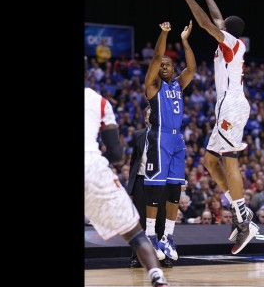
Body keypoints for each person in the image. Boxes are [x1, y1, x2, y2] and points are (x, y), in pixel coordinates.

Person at [176, 0, 258, 254]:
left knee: (230, 160)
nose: (219, 26)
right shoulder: (230, 42)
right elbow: (217, 19)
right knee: (210, 162)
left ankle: (245, 218)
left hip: (233, 105)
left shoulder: (232, 43)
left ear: (227, 32)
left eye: (222, 27)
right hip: (227, 107)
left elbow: (207, 24)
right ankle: (239, 213)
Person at [84, 58, 169, 287]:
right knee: (135, 233)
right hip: (91, 165)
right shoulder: (99, 101)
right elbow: (117, 154)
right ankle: (157, 277)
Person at [143, 21, 197, 262]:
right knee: (156, 187)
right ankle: (150, 235)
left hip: (177, 141)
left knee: (175, 189)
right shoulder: (152, 86)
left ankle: (167, 236)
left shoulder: (178, 83)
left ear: (173, 69)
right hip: (159, 137)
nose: (163, 66)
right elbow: (156, 55)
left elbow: (192, 68)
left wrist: (185, 42)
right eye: (161, 65)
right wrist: (164, 34)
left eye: (167, 64)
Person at [126, 106, 172, 268]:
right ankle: (137, 257)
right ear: (145, 118)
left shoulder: (167, 136)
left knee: (160, 220)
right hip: (141, 180)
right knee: (140, 221)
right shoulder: (138, 135)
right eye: (149, 114)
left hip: (161, 182)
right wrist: (131, 188)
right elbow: (134, 162)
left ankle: (163, 256)